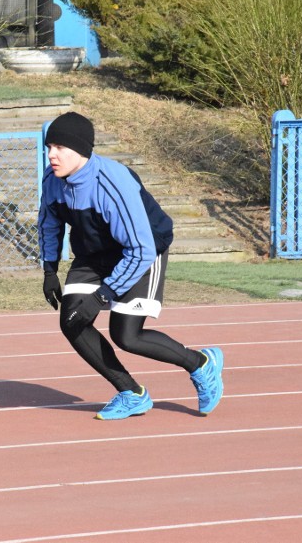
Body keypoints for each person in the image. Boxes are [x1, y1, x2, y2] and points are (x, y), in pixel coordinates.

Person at [37, 111, 224, 420]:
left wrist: (101, 297)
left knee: (127, 336)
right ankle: (131, 394)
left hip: (140, 251)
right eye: (49, 147)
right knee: (71, 321)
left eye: (59, 147)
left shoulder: (112, 184)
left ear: (81, 150)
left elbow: (141, 248)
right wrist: (49, 270)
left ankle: (201, 363)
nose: (51, 155)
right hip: (93, 254)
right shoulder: (52, 179)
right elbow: (48, 224)